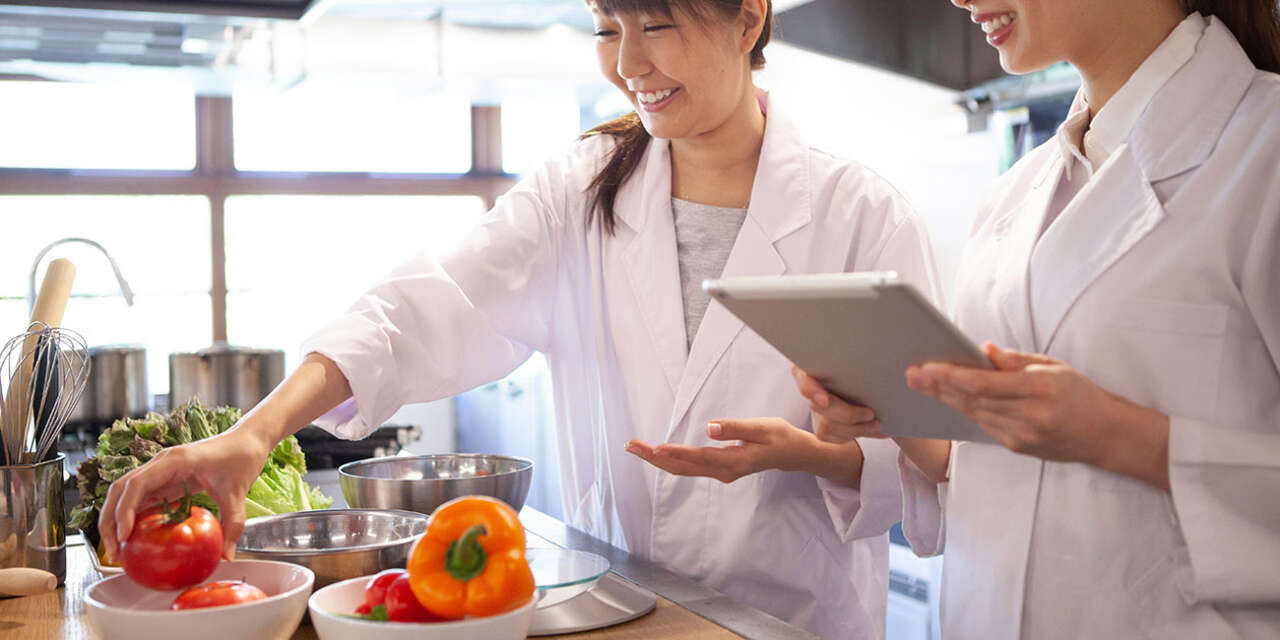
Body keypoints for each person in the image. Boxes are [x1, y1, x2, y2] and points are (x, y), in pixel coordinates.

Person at [98, 1, 941, 636]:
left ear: (748, 18)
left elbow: (936, 458)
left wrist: (814, 456)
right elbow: (426, 303)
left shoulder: (860, 214)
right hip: (621, 613)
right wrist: (255, 434)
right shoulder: (583, 187)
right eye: (607, 27)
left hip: (791, 621)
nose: (629, 61)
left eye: (657, 23)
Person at [784, 0, 1280, 637]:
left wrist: (1122, 435)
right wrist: (893, 416)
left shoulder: (1262, 153)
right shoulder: (1011, 197)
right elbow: (989, 470)